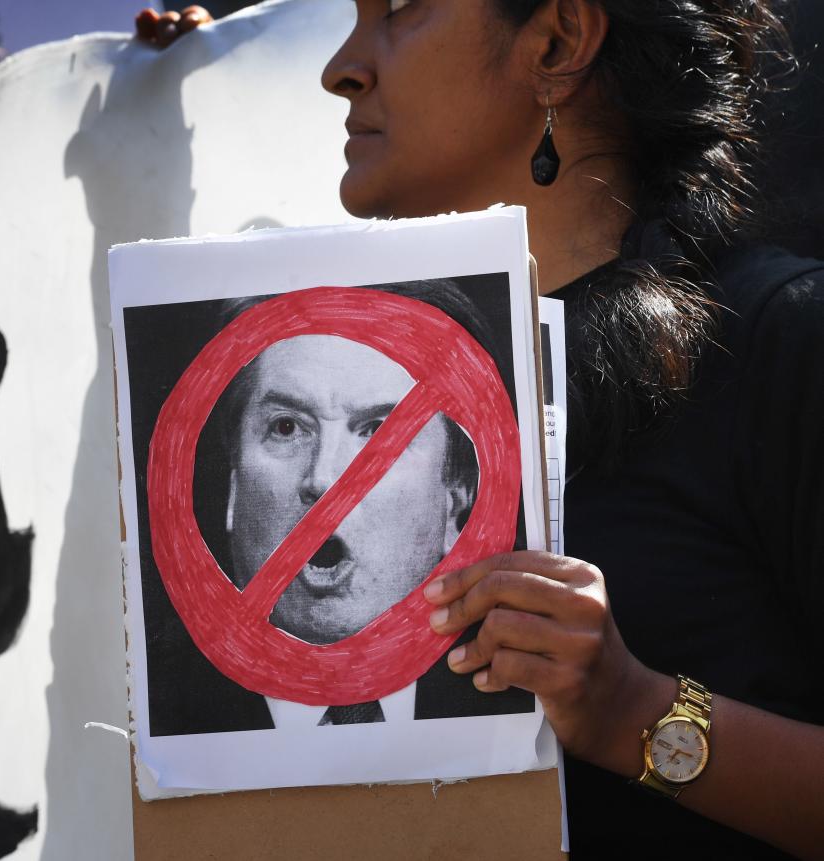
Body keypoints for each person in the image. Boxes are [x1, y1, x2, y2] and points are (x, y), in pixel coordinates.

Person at [139, 2, 824, 858]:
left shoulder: (779, 340)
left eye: (398, 12)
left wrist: (635, 713)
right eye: (282, 428)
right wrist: (142, 106)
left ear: (556, 41)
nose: (342, 68)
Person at [143, 279, 535, 735]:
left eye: (381, 433)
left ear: (456, 499)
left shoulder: (527, 689)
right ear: (234, 484)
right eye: (287, 427)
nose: (326, 480)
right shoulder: (149, 707)